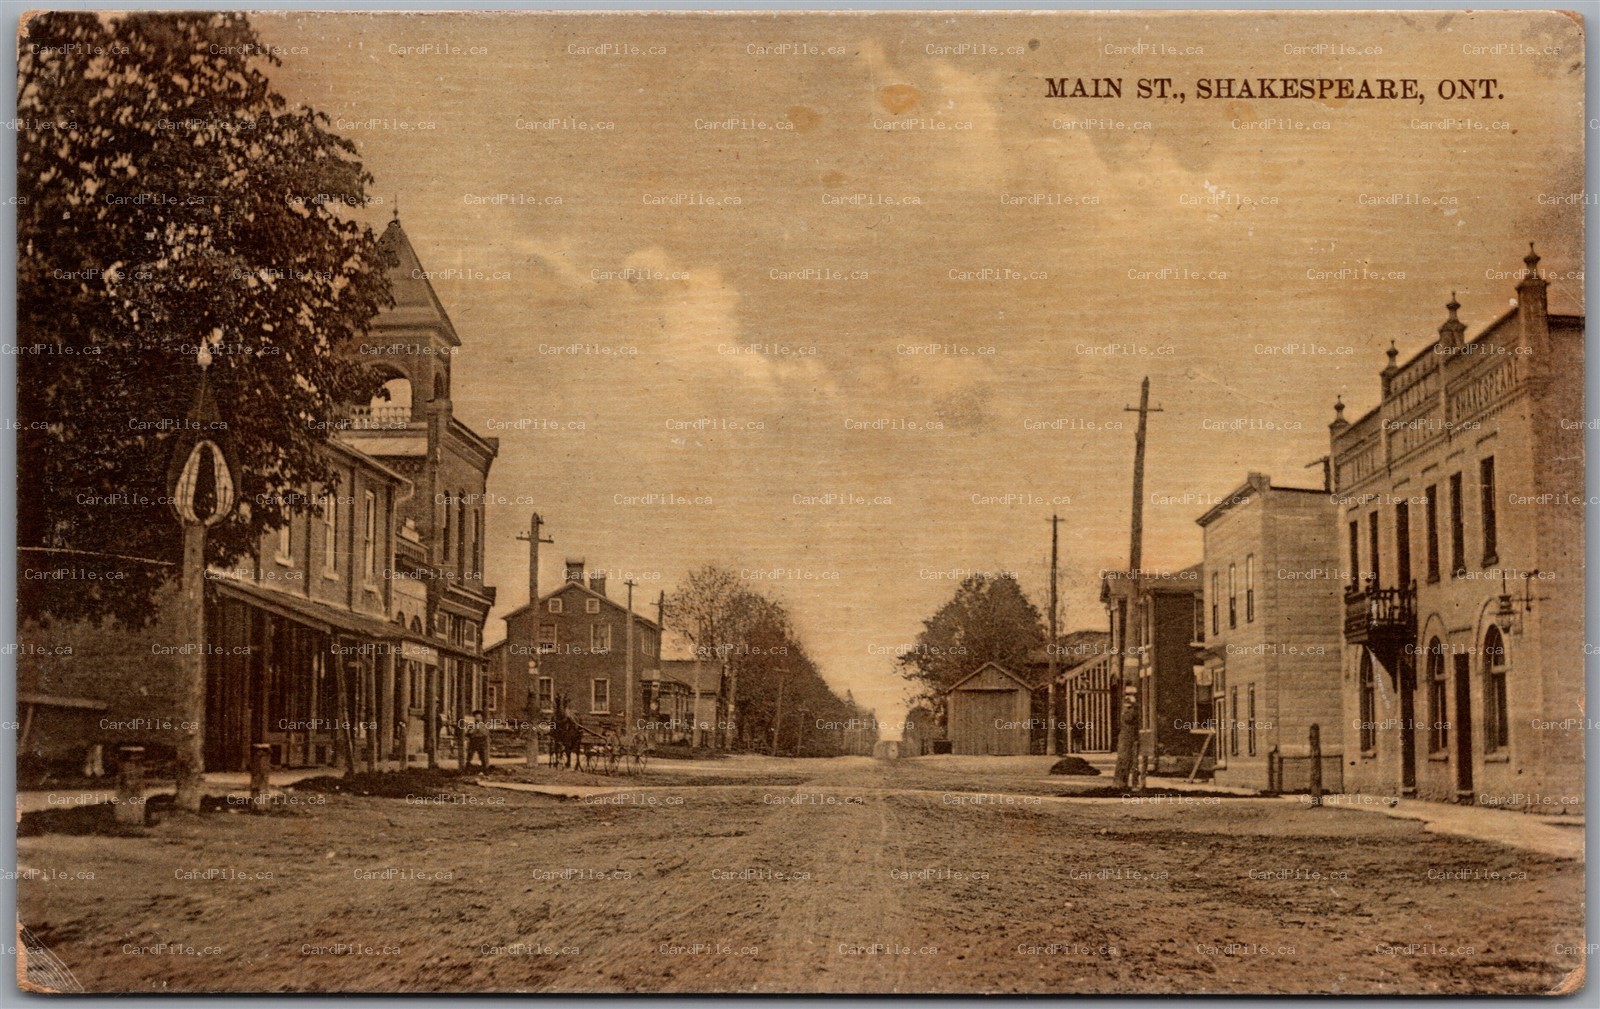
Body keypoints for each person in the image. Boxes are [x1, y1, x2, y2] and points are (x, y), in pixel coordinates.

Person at [1113, 685, 1140, 791]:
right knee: (1126, 761)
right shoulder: (1129, 709)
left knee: (1130, 761)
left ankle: (1125, 783)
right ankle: (1121, 783)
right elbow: (1128, 718)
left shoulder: (1128, 707)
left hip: (1129, 738)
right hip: (1127, 738)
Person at [465, 708, 492, 773]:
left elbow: (486, 733)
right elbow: (468, 733)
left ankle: (485, 770)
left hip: (481, 741)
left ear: (481, 718)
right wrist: (471, 732)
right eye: (476, 717)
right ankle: (467, 769)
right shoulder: (472, 725)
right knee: (470, 755)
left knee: (482, 756)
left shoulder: (483, 725)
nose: (478, 718)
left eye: (479, 717)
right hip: (473, 741)